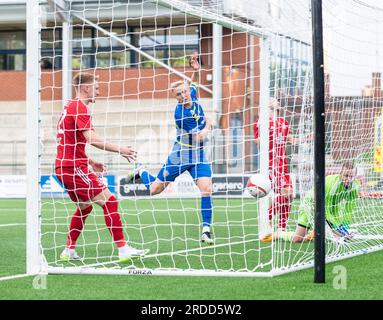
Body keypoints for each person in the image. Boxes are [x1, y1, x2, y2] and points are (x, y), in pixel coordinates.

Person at [55, 72, 149, 262]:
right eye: (96, 88)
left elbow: (71, 140)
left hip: (66, 166)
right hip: (73, 168)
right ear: (86, 88)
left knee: (85, 207)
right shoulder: (80, 108)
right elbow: (92, 139)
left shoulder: (69, 106)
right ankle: (123, 249)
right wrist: (120, 149)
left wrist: (90, 161)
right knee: (110, 201)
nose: (98, 92)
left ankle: (68, 250)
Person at [125, 53, 214, 245]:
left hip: (197, 156)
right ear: (176, 98)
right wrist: (209, 125)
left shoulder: (194, 95)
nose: (183, 95)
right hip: (180, 156)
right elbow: (199, 137)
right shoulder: (181, 114)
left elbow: (193, 83)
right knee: (155, 189)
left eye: (184, 92)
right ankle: (141, 171)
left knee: (207, 190)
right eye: (178, 94)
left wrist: (196, 70)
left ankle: (206, 230)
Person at [264, 160, 360, 243]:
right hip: (311, 203)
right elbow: (325, 210)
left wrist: (344, 227)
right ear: (340, 174)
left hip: (332, 206)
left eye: (351, 176)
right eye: (346, 175)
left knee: (339, 233)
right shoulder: (332, 184)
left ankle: (315, 231)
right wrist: (337, 229)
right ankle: (279, 234)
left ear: (355, 176)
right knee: (297, 239)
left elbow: (349, 209)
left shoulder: (355, 186)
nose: (348, 179)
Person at [253, 98, 298, 236]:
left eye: (275, 99)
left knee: (290, 196)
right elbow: (258, 143)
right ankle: (267, 220)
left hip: (283, 163)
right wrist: (265, 130)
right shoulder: (261, 122)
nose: (274, 100)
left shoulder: (283, 122)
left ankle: (281, 228)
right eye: (271, 99)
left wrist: (308, 137)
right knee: (287, 193)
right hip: (271, 164)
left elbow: (291, 140)